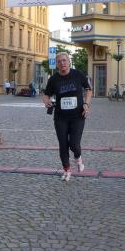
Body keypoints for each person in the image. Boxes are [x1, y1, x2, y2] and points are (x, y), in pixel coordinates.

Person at [43, 52, 92, 182]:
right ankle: (67, 170)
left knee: (74, 144)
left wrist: (86, 104)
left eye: (64, 60)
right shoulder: (53, 79)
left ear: (69, 61)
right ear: (57, 64)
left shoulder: (78, 75)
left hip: (77, 116)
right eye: (59, 61)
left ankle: (78, 157)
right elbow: (46, 94)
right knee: (63, 144)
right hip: (61, 117)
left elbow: (88, 89)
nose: (62, 63)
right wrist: (46, 101)